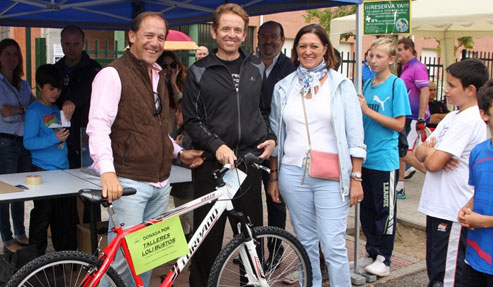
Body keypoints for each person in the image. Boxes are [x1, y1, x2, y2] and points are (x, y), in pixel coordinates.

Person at [86, 12, 204, 287]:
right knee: (119, 263)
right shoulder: (112, 74)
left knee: (147, 259)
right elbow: (98, 126)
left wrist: (178, 152)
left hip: (161, 183)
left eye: (160, 37)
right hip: (129, 182)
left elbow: (154, 130)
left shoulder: (158, 76)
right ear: (132, 36)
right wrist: (107, 172)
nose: (155, 42)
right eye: (148, 35)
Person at [182, 4, 276, 286]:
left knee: (251, 239)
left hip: (248, 164)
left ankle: (251, 283)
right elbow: (192, 120)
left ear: (244, 33)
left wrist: (270, 135)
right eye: (226, 28)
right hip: (211, 166)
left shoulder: (256, 66)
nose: (232, 35)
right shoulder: (198, 71)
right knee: (206, 240)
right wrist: (216, 145)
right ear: (214, 32)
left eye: (238, 29)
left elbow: (263, 109)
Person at [268, 23, 366, 287]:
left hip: (332, 175)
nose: (308, 51)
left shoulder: (342, 85)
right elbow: (277, 136)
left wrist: (356, 177)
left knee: (333, 245)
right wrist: (274, 176)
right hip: (292, 174)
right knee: (305, 243)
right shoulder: (284, 87)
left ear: (325, 48)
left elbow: (356, 136)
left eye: (314, 46)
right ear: (295, 49)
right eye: (303, 46)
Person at [416, 59, 489, 287]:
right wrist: (432, 152)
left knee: (445, 278)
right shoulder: (452, 116)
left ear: (470, 90)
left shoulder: (469, 120)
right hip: (439, 206)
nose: (445, 90)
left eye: (451, 85)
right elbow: (419, 151)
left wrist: (432, 153)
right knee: (436, 271)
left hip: (452, 209)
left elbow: (434, 162)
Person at [358, 37, 411, 277]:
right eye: (371, 55)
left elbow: (399, 124)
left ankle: (384, 257)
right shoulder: (367, 84)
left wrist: (368, 111)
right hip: (365, 159)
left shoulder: (395, 85)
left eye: (379, 56)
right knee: (367, 209)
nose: (373, 60)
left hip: (384, 160)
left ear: (391, 59)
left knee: (385, 210)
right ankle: (371, 250)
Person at [24, 64, 76, 255]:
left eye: (58, 89)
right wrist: (54, 138)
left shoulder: (57, 109)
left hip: (62, 170)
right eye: (51, 88)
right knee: (42, 215)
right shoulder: (33, 111)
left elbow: (63, 135)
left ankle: (65, 257)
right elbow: (28, 142)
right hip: (42, 170)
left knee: (62, 218)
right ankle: (36, 258)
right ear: (39, 86)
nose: (55, 93)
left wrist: (66, 120)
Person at [257, 20, 295, 265]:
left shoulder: (290, 68)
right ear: (257, 38)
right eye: (264, 37)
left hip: (279, 144)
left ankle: (275, 252)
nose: (268, 41)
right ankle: (253, 253)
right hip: (250, 144)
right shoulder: (248, 64)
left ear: (282, 40)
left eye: (274, 37)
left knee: (276, 202)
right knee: (249, 203)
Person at [458, 79, 493, 286]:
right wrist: (467, 209)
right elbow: (479, 191)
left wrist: (484, 221)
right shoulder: (478, 152)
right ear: (484, 114)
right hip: (475, 257)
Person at [0, 38, 34, 254]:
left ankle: (21, 232)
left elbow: (32, 105)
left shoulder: (23, 84)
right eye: (7, 54)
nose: (12, 59)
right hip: (5, 142)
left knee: (20, 191)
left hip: (23, 142)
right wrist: (21, 110)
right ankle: (7, 237)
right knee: (5, 192)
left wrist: (17, 110)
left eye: (15, 54)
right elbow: (5, 112)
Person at [55, 25, 101, 169]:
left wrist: (73, 101)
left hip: (86, 135)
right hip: (60, 136)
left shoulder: (93, 69)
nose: (71, 48)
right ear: (62, 43)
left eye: (76, 44)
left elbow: (91, 92)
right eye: (67, 44)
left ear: (83, 44)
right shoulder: (56, 69)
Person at [396, 37, 429, 198]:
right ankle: (400, 187)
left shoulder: (418, 67)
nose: (398, 53)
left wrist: (421, 116)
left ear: (409, 49)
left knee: (405, 152)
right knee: (400, 150)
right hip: (406, 115)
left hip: (414, 116)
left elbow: (425, 91)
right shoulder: (405, 67)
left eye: (401, 49)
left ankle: (431, 176)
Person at [157, 51, 186, 133]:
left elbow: (183, 104)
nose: (169, 69)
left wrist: (173, 83)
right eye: (164, 65)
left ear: (177, 67)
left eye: (172, 65)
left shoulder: (184, 83)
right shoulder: (154, 84)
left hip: (178, 133)